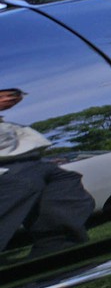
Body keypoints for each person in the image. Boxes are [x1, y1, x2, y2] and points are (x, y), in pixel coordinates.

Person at [0, 88, 94, 258]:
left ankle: (58, 257)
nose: (9, 98)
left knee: (66, 195)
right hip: (10, 170)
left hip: (31, 163)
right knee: (20, 188)